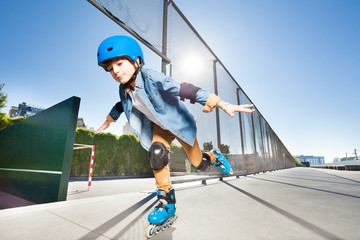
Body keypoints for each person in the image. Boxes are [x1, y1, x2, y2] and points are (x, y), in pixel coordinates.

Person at [95, 35, 254, 237]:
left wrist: (221, 103)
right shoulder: (123, 89)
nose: (116, 71)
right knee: (157, 154)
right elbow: (120, 106)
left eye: (119, 63)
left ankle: (214, 155)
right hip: (159, 129)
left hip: (180, 124)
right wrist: (109, 121)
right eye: (110, 69)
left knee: (200, 164)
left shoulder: (152, 77)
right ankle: (166, 204)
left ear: (136, 60)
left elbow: (184, 90)